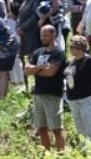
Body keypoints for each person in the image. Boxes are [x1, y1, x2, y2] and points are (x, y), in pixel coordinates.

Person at [25, 23, 66, 151]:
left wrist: (35, 70)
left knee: (56, 128)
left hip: (53, 94)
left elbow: (51, 72)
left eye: (45, 35)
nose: (42, 37)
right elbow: (27, 71)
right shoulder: (38, 52)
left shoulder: (58, 54)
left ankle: (61, 155)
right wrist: (40, 67)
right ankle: (46, 156)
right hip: (38, 94)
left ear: (53, 35)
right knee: (41, 128)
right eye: (41, 35)